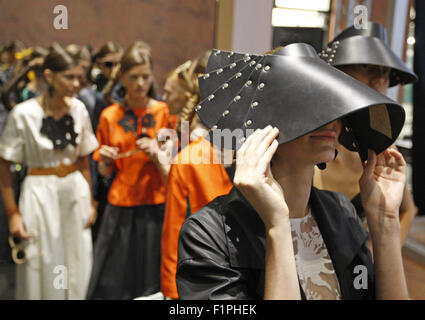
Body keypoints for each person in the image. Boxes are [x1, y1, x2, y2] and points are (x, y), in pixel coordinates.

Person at [176, 44, 410, 300]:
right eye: (304, 104)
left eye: (331, 104)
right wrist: (277, 226)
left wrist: (385, 221)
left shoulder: (341, 211)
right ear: (261, 121)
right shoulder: (208, 235)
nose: (329, 119)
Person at [0, 44, 98, 299]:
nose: (76, 83)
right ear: (49, 76)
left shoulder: (79, 109)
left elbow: (85, 160)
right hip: (39, 194)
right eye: (69, 76)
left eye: (78, 76)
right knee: (41, 263)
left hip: (74, 193)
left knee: (77, 262)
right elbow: (5, 164)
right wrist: (13, 214)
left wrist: (91, 200)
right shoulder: (24, 114)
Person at [315, 22, 418, 245]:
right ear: (337, 69)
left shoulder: (380, 143)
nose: (380, 79)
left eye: (385, 71)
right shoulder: (310, 137)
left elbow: (407, 211)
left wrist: (377, 259)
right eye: (368, 67)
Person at [86, 45, 171, 300]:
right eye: (134, 77)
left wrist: (156, 152)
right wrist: (106, 159)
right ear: (122, 77)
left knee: (151, 280)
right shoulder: (109, 115)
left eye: (145, 76)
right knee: (115, 280)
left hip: (155, 203)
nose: (140, 83)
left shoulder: (162, 112)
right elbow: (102, 171)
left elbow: (173, 163)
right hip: (121, 204)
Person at [160, 51, 233, 299]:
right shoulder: (190, 155)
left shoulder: (262, 149)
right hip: (205, 268)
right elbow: (174, 230)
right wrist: (172, 290)